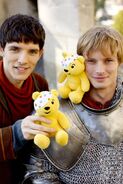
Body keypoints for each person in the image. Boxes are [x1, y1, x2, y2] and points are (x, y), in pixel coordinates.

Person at [22, 25, 123, 184]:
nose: (100, 70)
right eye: (91, 61)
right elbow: (39, 172)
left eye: (108, 60)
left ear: (119, 61)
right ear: (80, 62)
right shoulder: (54, 109)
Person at [0, 14, 55, 184]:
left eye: (32, 51)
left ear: (40, 54)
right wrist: (17, 133)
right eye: (15, 49)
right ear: (1, 49)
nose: (23, 60)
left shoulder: (40, 84)